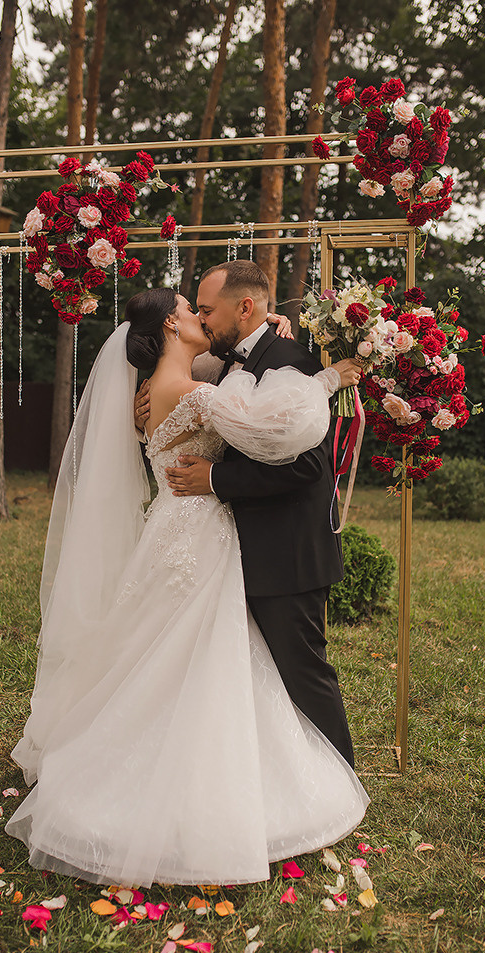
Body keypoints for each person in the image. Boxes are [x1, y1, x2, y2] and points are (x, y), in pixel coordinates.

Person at [5, 286, 368, 889]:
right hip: (199, 531)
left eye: (206, 308)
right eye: (190, 310)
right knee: (197, 655)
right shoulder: (196, 393)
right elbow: (273, 426)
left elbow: (230, 370)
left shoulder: (161, 388)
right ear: (172, 326)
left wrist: (275, 338)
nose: (200, 317)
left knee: (166, 651)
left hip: (177, 527)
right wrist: (328, 380)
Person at [140, 261, 359, 768]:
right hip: (241, 548)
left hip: (287, 552)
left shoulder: (285, 358)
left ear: (245, 307)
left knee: (301, 671)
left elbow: (307, 464)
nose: (202, 317)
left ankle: (343, 779)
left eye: (209, 310)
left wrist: (215, 480)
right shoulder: (225, 364)